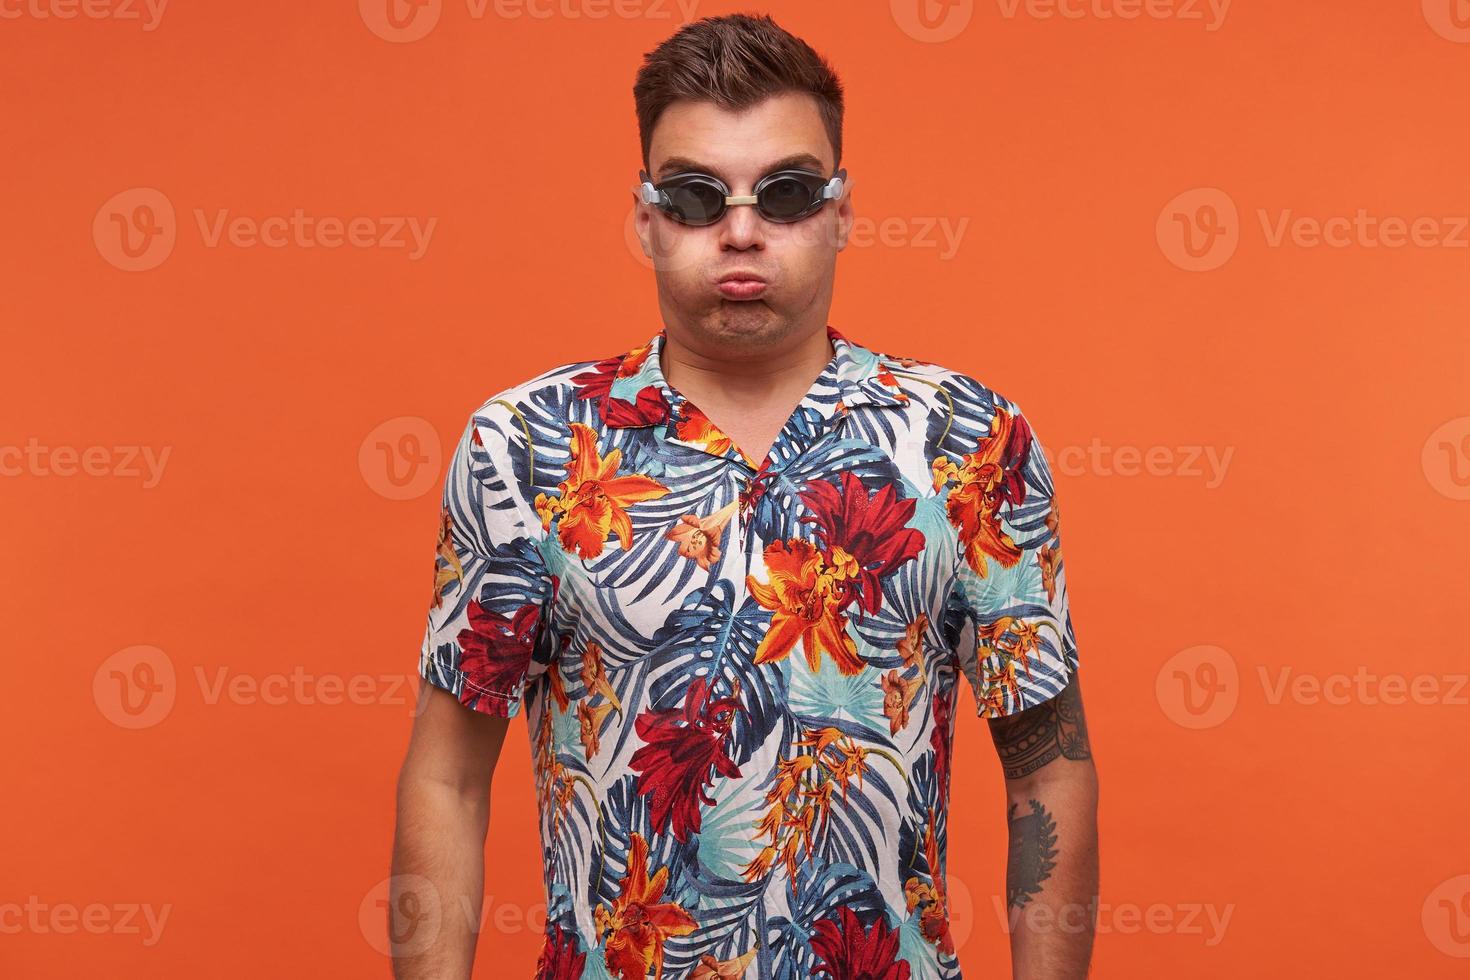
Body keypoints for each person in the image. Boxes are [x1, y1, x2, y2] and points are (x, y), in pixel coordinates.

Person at [391, 12, 1098, 980]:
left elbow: (1047, 768)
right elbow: (448, 777)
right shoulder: (527, 448)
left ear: (843, 212)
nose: (740, 229)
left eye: (788, 192)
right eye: (693, 195)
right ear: (645, 220)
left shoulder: (968, 442)